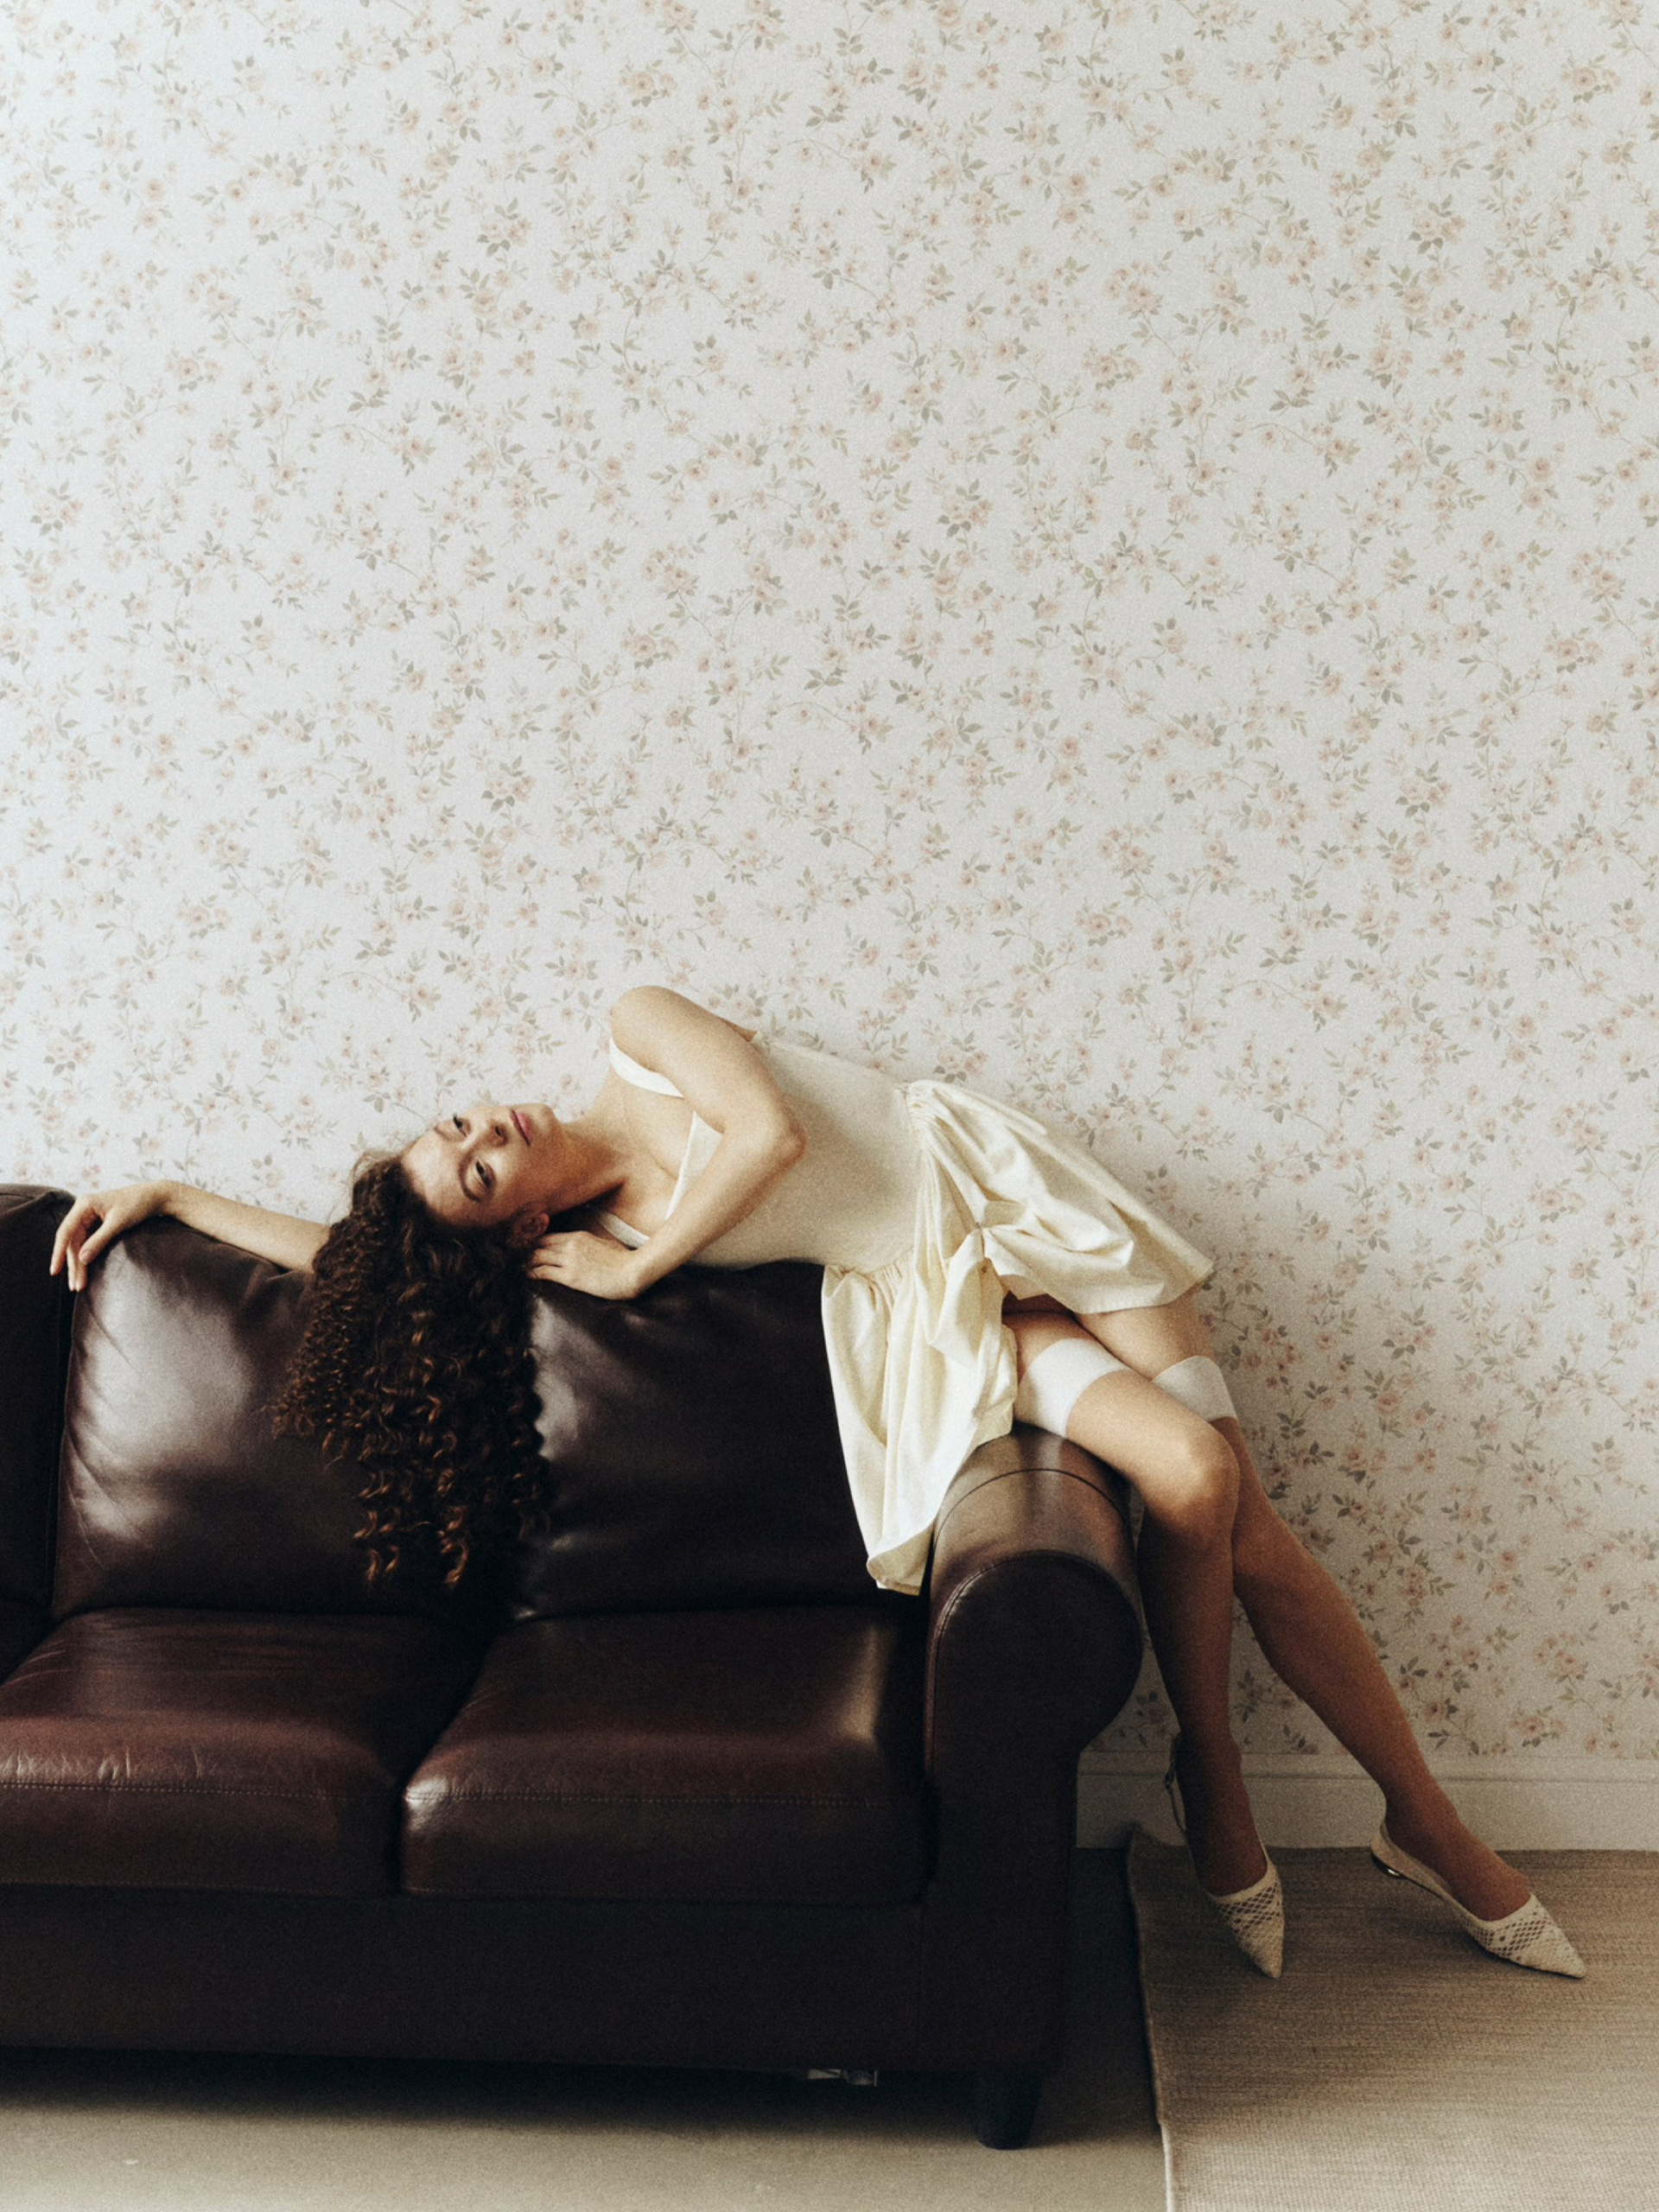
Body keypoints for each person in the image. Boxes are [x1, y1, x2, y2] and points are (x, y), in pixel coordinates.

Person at [49, 983, 1584, 1981]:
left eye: (459, 1124)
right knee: (1190, 1474)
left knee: (1228, 1512)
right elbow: (359, 1265)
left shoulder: (638, 1028)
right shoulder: (577, 1252)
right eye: (478, 1167)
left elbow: (773, 1133)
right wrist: (178, 1197)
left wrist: (645, 1262)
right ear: (511, 1231)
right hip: (945, 1312)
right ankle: (1249, 1782)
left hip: (1008, 1200)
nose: (486, 1128)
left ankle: (1380, 1814)